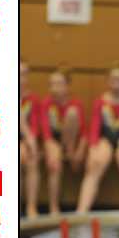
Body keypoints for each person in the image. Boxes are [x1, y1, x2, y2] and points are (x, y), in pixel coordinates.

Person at [76, 64, 119, 213]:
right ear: (107, 80)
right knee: (96, 163)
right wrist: (92, 149)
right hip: (104, 140)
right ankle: (81, 211)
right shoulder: (100, 102)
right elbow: (94, 129)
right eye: (114, 79)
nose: (117, 83)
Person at [39, 67, 87, 215]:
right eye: (52, 84)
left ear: (67, 86)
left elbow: (84, 133)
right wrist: (53, 151)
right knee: (54, 163)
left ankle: (70, 154)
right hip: (54, 143)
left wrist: (79, 151)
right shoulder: (46, 104)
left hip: (72, 144)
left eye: (59, 84)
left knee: (72, 113)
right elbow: (46, 134)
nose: (55, 88)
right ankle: (53, 207)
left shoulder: (76, 104)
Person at [19, 61, 43, 218]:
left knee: (31, 159)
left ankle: (31, 207)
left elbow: (36, 125)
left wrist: (31, 140)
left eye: (23, 74)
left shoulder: (32, 99)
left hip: (26, 142)